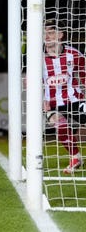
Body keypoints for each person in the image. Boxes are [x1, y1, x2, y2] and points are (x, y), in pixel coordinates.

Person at [42, 19, 83, 174]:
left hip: (75, 99)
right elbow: (33, 82)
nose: (47, 35)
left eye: (51, 32)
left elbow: (84, 76)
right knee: (58, 123)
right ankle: (76, 157)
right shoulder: (36, 58)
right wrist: (41, 100)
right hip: (52, 103)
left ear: (60, 35)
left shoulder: (74, 54)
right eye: (44, 32)